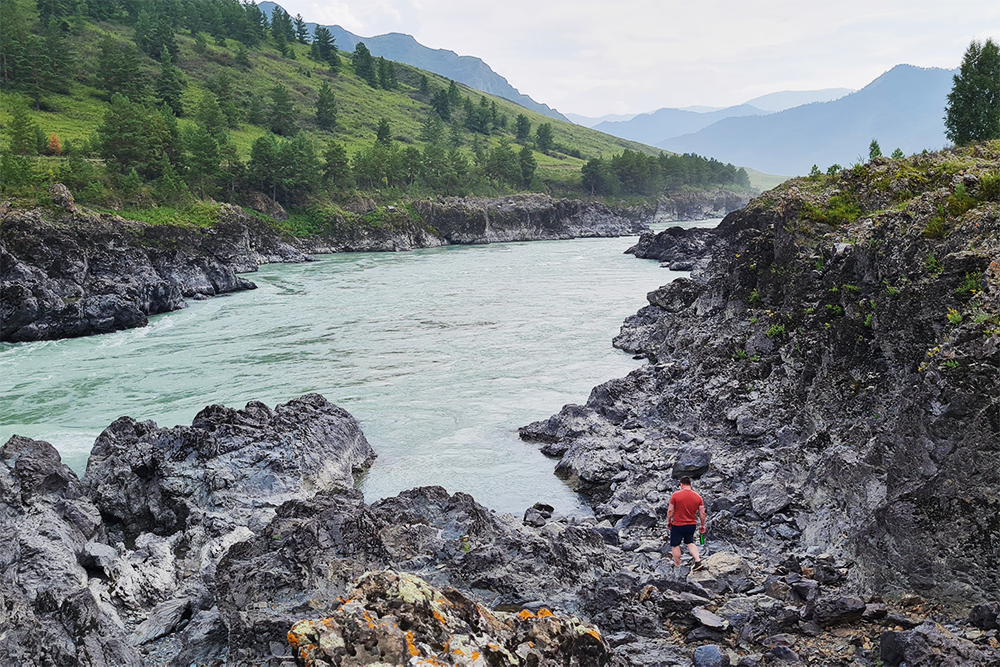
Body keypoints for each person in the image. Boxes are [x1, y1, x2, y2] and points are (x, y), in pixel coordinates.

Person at [666, 476, 707, 571]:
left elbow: (670, 510)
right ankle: (698, 561)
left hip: (677, 525)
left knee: (675, 545)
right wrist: (702, 525)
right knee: (690, 542)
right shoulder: (698, 497)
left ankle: (677, 566)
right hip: (691, 525)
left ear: (681, 484)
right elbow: (702, 513)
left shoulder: (676, 495)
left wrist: (669, 521)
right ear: (690, 484)